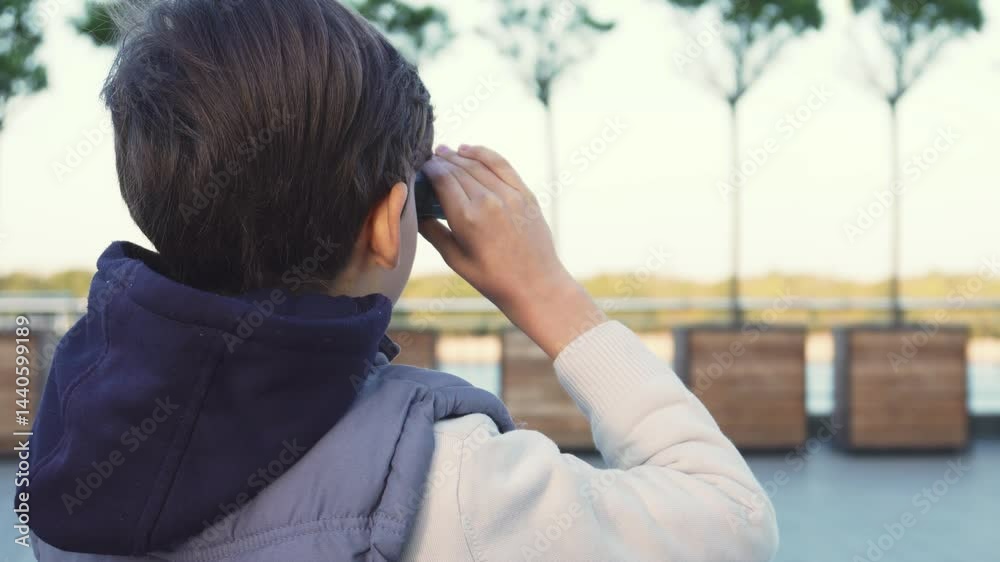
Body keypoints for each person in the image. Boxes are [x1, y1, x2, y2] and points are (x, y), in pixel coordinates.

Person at [21, 0, 778, 560]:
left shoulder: (76, 446)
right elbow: (731, 520)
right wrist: (546, 292)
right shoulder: (453, 481)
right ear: (390, 220)